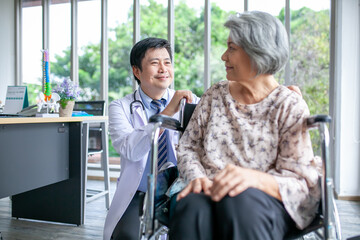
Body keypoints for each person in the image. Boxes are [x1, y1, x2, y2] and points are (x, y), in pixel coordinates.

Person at [169, 11, 320, 240]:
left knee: (240, 203)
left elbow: (299, 180)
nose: (223, 56)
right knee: (191, 207)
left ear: (257, 50)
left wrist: (252, 179)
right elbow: (188, 147)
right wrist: (196, 177)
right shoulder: (215, 94)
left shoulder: (289, 105)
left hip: (261, 200)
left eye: (231, 48)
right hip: (206, 189)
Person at [103, 37, 200, 240]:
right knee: (126, 236)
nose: (163, 69)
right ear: (136, 71)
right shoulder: (119, 107)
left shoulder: (190, 102)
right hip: (140, 192)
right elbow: (129, 149)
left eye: (167, 62)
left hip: (179, 189)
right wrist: (167, 112)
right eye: (155, 63)